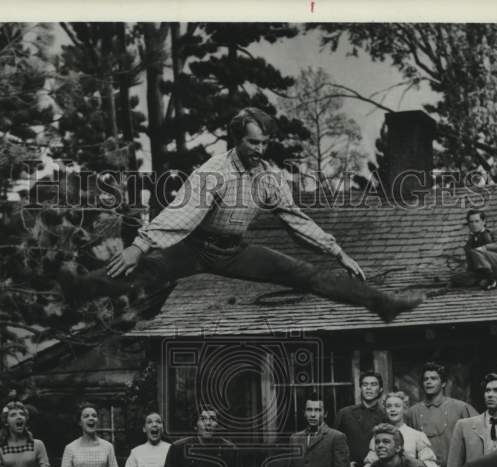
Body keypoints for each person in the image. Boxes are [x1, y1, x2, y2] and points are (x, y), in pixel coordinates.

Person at [65, 107, 425, 324]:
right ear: (236, 139)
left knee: (308, 275)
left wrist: (337, 251)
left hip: (234, 250)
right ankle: (77, 286)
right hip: (192, 247)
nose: (260, 150)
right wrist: (139, 246)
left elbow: (295, 219)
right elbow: (182, 214)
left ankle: (383, 304)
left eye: (266, 144)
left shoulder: (268, 175)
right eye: (253, 143)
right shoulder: (214, 171)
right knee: (142, 273)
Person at [335, 371, 387, 467]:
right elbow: (335, 445)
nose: (368, 388)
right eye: (365, 384)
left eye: (373, 384)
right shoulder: (345, 413)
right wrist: (345, 465)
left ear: (380, 389)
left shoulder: (385, 416)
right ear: (360, 388)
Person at [463, 209, 497, 291]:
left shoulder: (495, 232)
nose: (474, 224)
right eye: (471, 222)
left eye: (477, 221)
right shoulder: (470, 242)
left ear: (483, 221)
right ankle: (487, 278)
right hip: (485, 270)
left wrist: (482, 248)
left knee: (475, 251)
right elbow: (470, 263)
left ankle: (493, 280)